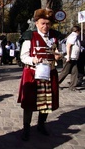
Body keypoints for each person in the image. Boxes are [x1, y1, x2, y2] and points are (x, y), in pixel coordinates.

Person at [17, 8, 62, 141]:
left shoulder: (54, 36)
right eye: (42, 23)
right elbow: (23, 56)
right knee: (29, 102)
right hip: (32, 73)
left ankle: (41, 125)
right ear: (36, 23)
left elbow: (57, 52)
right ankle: (26, 128)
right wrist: (33, 60)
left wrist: (58, 56)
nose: (45, 26)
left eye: (48, 23)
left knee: (47, 101)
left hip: (49, 73)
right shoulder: (29, 36)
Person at [58, 25, 81, 92]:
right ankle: (56, 83)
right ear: (77, 31)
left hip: (73, 58)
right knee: (65, 72)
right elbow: (68, 46)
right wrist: (68, 56)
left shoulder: (74, 36)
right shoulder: (73, 36)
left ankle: (72, 86)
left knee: (75, 72)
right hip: (70, 58)